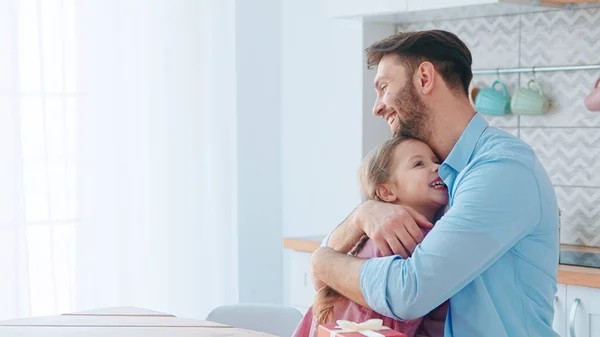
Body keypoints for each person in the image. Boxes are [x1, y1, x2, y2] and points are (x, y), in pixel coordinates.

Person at [310, 30, 559, 337]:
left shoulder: (502, 168)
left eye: (384, 87)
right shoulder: (437, 180)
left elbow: (408, 293)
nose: (377, 107)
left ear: (425, 78)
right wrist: (361, 217)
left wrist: (322, 262)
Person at [292, 136, 448, 337]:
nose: (437, 168)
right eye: (419, 164)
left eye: (437, 161)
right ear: (386, 191)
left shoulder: (428, 236)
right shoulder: (388, 246)